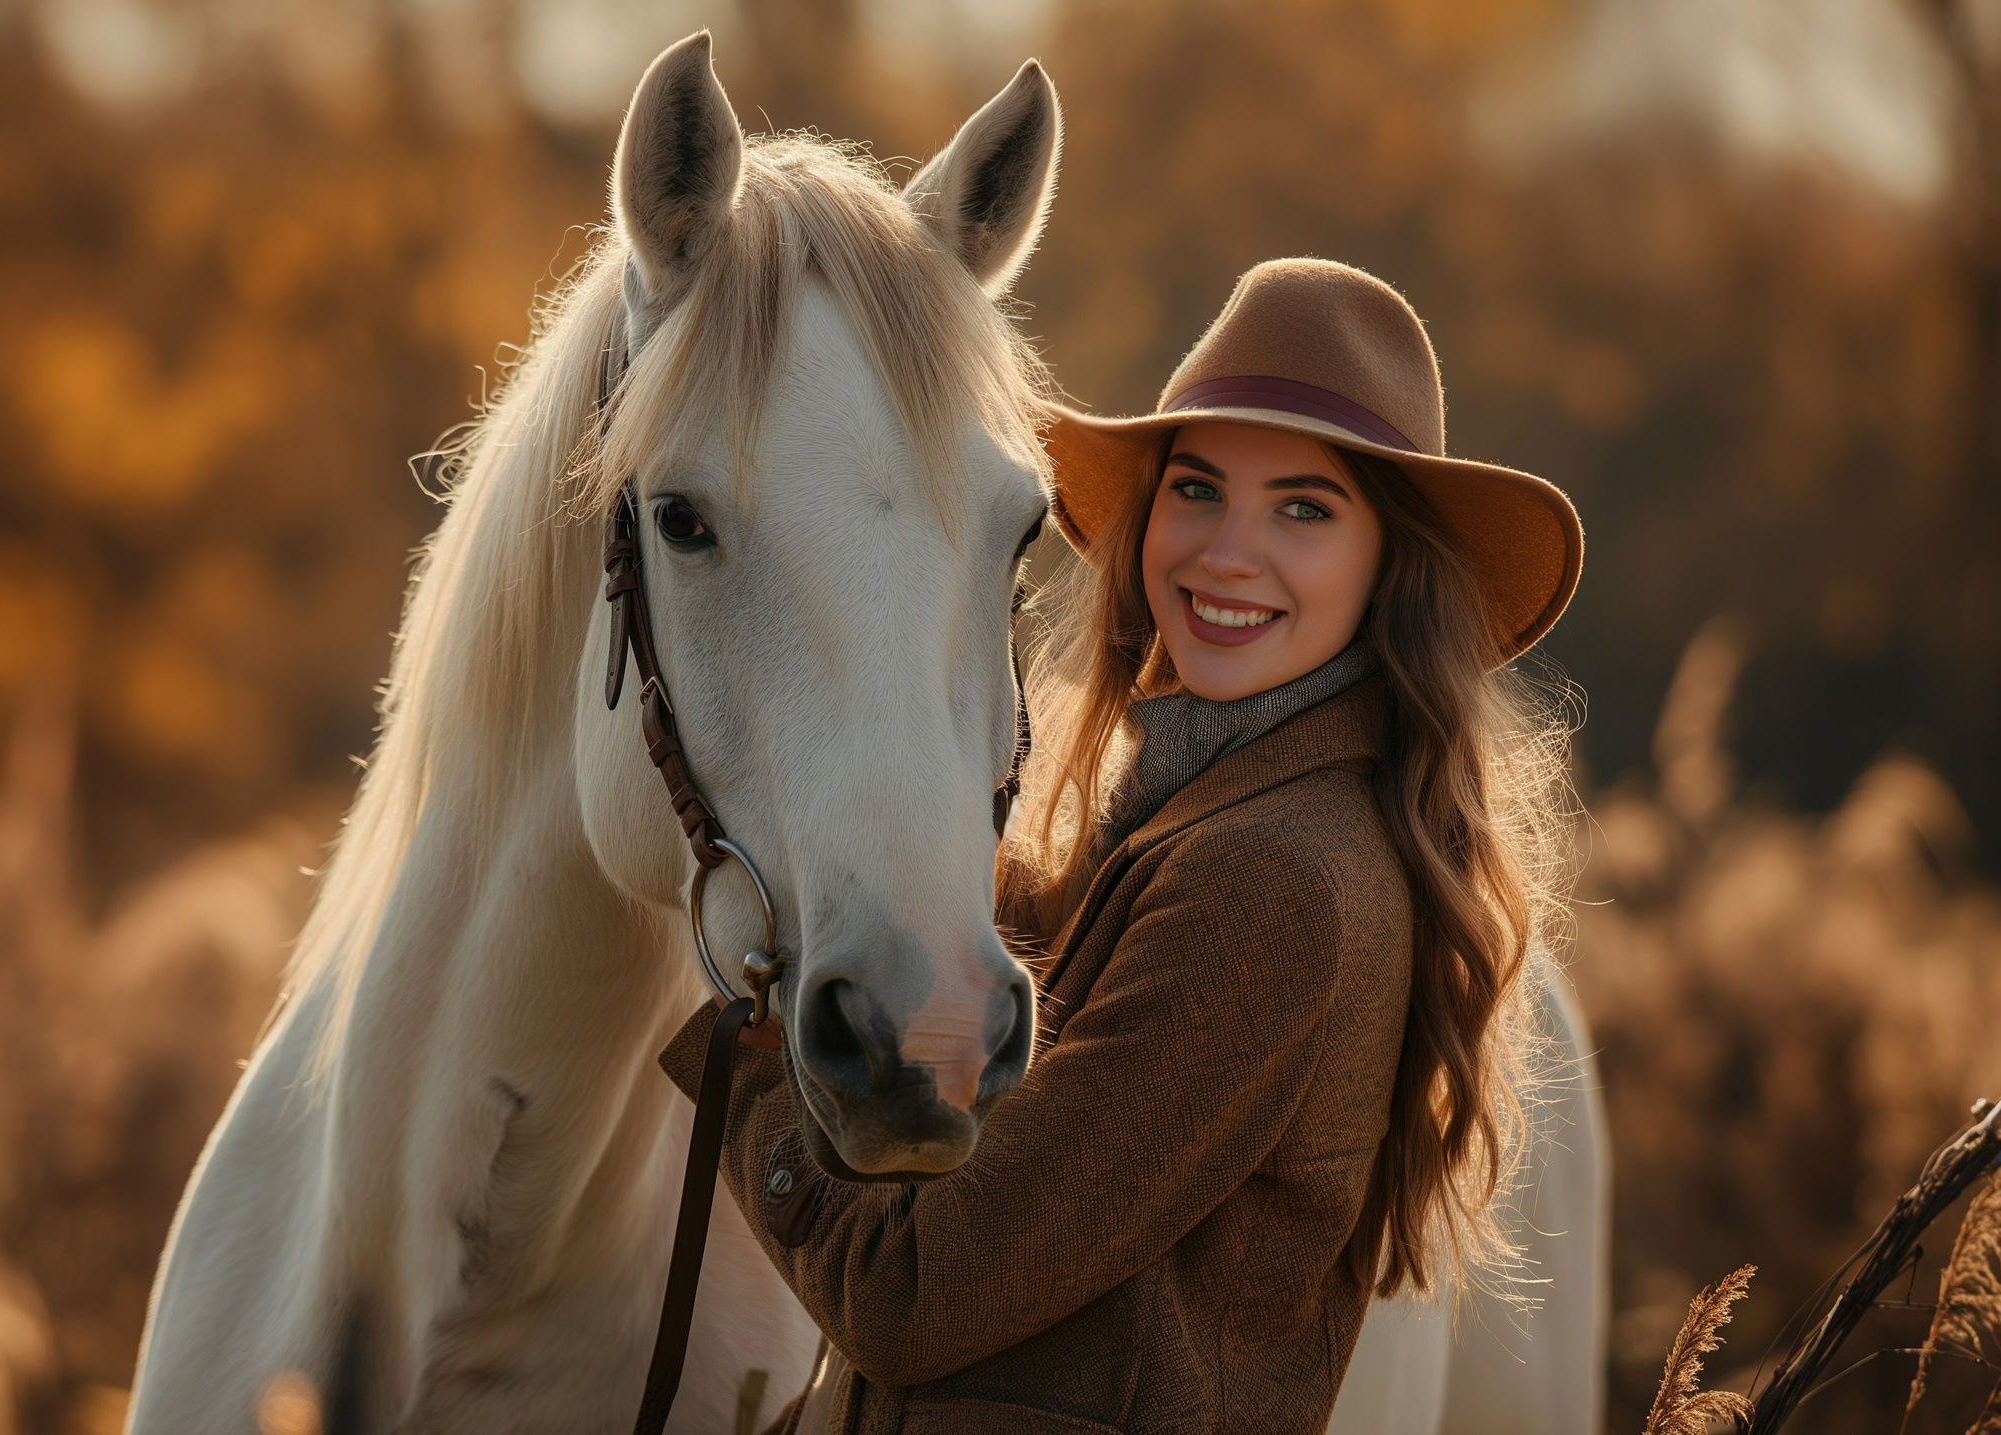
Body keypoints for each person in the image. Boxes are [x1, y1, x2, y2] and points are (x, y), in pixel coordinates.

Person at [660, 257, 1583, 1433]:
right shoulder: (1190, 816)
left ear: (1388, 563)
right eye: (1197, 489)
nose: (1226, 552)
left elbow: (909, 1298)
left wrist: (745, 1070)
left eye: (1303, 509)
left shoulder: (1273, 884)